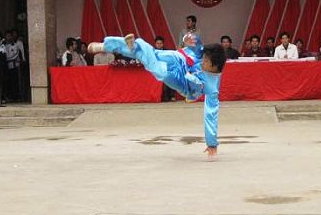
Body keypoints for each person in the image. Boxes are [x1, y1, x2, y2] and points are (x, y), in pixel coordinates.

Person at [89, 33, 226, 159]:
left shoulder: (212, 87)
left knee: (160, 72)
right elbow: (195, 41)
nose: (202, 62)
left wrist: (212, 143)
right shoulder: (203, 54)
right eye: (203, 59)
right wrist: (186, 39)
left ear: (214, 66)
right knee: (153, 54)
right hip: (180, 59)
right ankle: (107, 45)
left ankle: (135, 45)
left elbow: (210, 114)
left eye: (206, 62)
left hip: (182, 82)